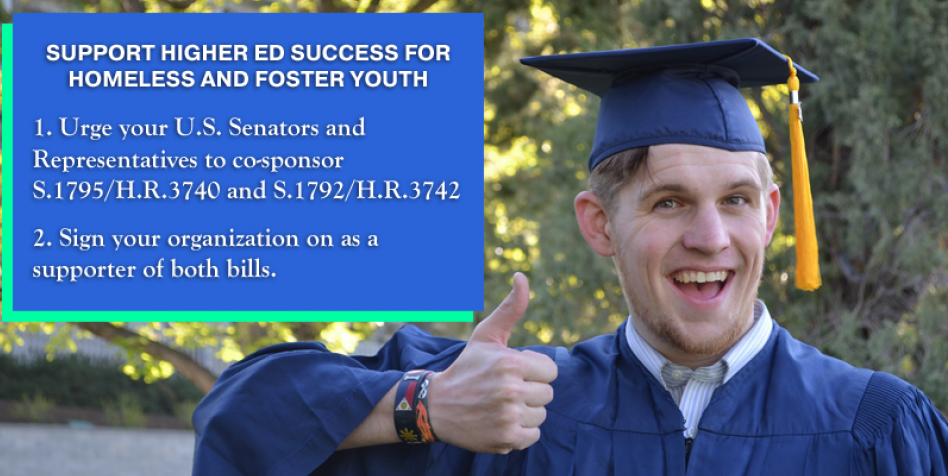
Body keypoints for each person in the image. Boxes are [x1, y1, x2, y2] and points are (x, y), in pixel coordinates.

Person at [192, 38, 948, 475]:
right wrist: (421, 407)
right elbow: (240, 418)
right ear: (599, 225)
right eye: (669, 201)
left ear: (774, 214)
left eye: (737, 201)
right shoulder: (516, 412)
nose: (712, 238)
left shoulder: (875, 427)